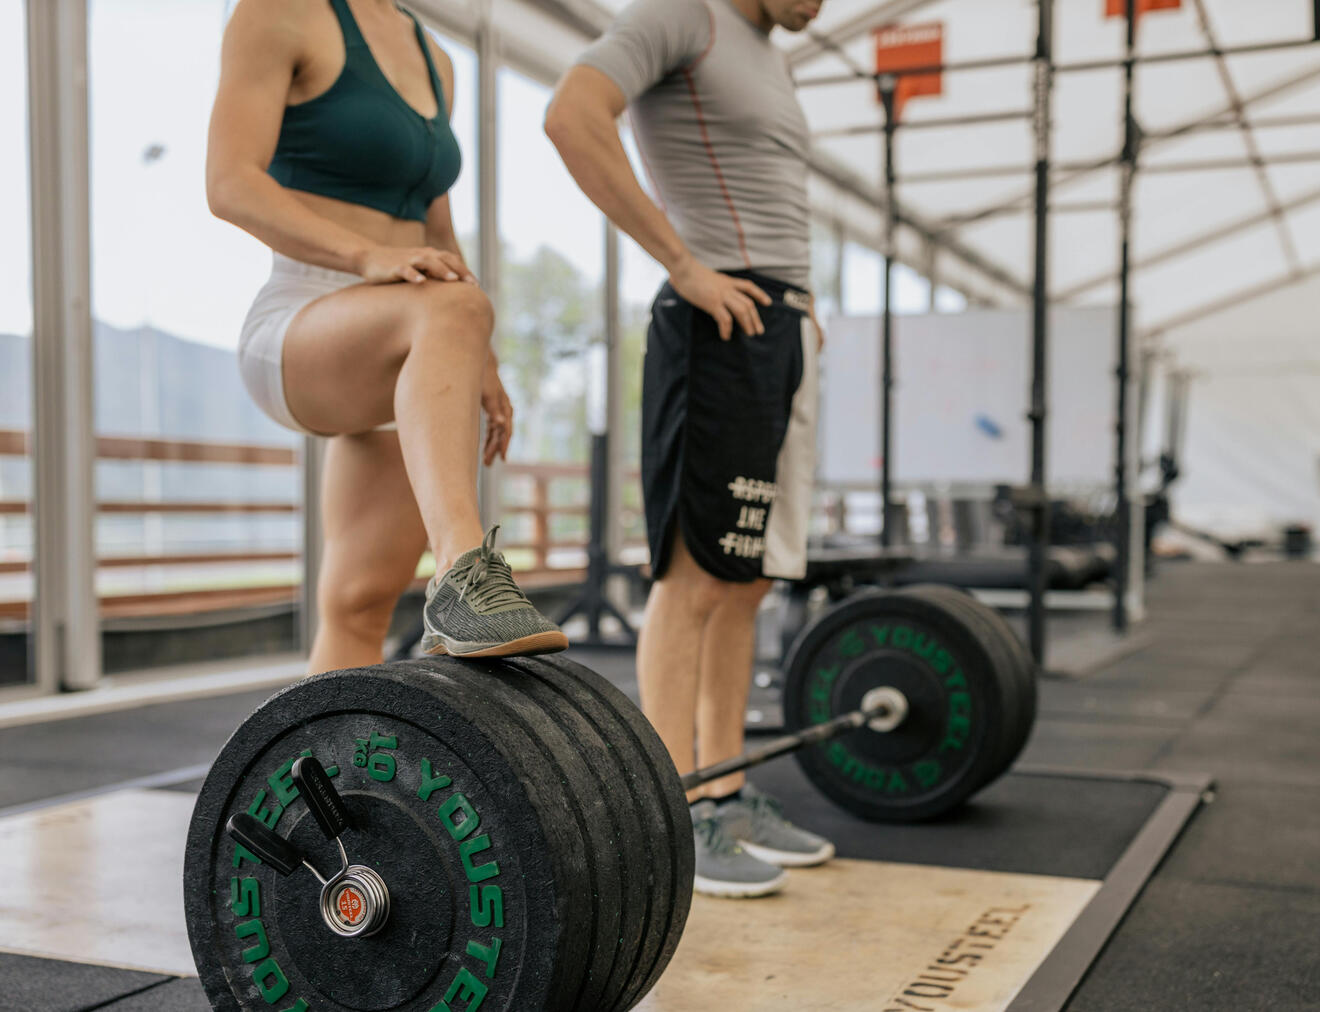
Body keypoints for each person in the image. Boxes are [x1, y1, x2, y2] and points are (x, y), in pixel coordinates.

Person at [547, 0, 832, 898]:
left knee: (748, 581)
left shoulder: (766, 50)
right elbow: (571, 114)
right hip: (717, 322)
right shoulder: (685, 14)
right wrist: (682, 262)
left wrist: (802, 319)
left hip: (777, 328)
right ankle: (675, 812)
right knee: (695, 575)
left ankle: (727, 791)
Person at [207, 0, 567, 669]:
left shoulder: (437, 59)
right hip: (303, 318)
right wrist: (364, 258)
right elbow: (230, 185)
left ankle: (323, 771)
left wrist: (476, 354)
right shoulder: (278, 12)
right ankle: (464, 572)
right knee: (452, 305)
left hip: (414, 330)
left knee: (360, 603)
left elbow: (438, 231)